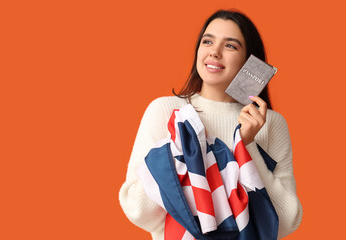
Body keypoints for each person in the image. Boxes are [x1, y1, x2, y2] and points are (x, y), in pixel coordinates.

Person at [119, 9, 303, 239]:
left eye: (230, 46)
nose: (214, 52)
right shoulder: (166, 112)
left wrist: (247, 148)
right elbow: (137, 210)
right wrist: (178, 149)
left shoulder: (271, 124)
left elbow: (287, 222)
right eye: (208, 41)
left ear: (250, 62)